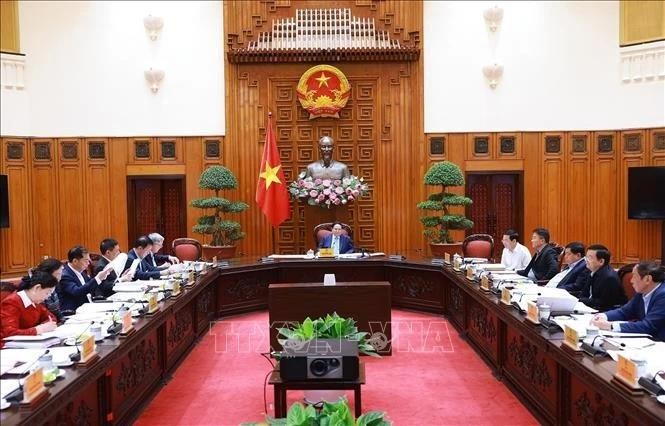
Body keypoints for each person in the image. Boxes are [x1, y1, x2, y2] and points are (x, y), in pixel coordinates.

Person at [591, 261, 665, 341]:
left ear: (647, 279)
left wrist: (610, 326)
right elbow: (624, 312)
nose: (631, 281)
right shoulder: (642, 292)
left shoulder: (662, 295)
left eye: (634, 276)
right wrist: (603, 316)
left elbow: (648, 326)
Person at [1, 271, 58, 341]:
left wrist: (46, 326)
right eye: (47, 293)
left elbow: (51, 317)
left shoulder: (35, 301)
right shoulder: (12, 302)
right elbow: (9, 332)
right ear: (37, 288)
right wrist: (38, 330)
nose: (47, 297)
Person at [58, 245, 111, 312]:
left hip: (87, 307)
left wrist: (101, 279)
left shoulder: (81, 272)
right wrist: (97, 279)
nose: (88, 263)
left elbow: (90, 286)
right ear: (75, 261)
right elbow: (77, 292)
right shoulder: (65, 275)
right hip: (74, 311)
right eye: (86, 260)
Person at [578, 244, 627, 312]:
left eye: (590, 257)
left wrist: (579, 300)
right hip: (592, 307)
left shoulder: (609, 278)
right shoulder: (592, 271)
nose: (586, 260)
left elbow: (604, 303)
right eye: (586, 257)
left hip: (606, 311)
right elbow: (584, 293)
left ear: (601, 261)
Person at [18, 257, 65, 322]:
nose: (61, 277)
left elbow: (53, 313)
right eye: (58, 274)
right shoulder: (33, 288)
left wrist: (63, 320)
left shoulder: (54, 284)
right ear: (48, 274)